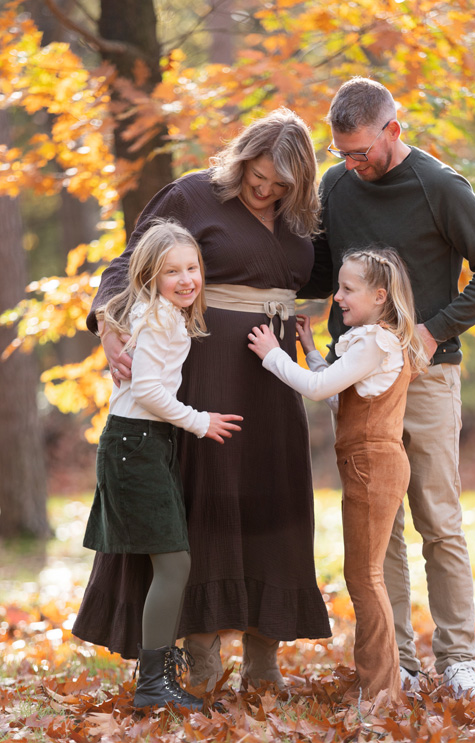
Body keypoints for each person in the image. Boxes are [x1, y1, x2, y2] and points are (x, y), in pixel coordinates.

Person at [72, 108, 332, 691]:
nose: (263, 190)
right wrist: (110, 327)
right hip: (209, 371)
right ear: (242, 158)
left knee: (277, 501)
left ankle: (266, 655)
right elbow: (127, 263)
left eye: (278, 184)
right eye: (256, 176)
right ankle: (203, 650)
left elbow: (316, 278)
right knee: (209, 503)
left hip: (276, 372)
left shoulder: (303, 219)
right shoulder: (194, 195)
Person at [300, 77, 475, 700]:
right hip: (360, 375)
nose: (351, 163)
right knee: (378, 520)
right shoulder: (337, 185)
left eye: (361, 150)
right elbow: (322, 270)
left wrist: (430, 330)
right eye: (342, 152)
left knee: (437, 518)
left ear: (393, 130)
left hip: (426, 373)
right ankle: (399, 663)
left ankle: (458, 659)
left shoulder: (441, 186)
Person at [249, 248, 428, 701]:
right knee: (365, 575)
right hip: (369, 464)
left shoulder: (375, 342)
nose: (338, 296)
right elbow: (339, 400)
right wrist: (310, 350)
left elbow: (316, 391)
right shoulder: (372, 341)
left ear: (380, 295)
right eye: (339, 287)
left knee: (365, 577)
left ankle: (381, 690)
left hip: (373, 465)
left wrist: (274, 354)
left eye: (348, 289)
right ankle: (383, 683)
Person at [80, 220, 242, 710]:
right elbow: (148, 390)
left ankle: (157, 676)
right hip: (136, 445)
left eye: (193, 267)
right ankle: (153, 682)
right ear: (151, 276)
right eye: (173, 271)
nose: (187, 279)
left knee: (173, 562)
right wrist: (199, 421)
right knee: (174, 563)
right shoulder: (159, 318)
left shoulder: (165, 314)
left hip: (145, 443)